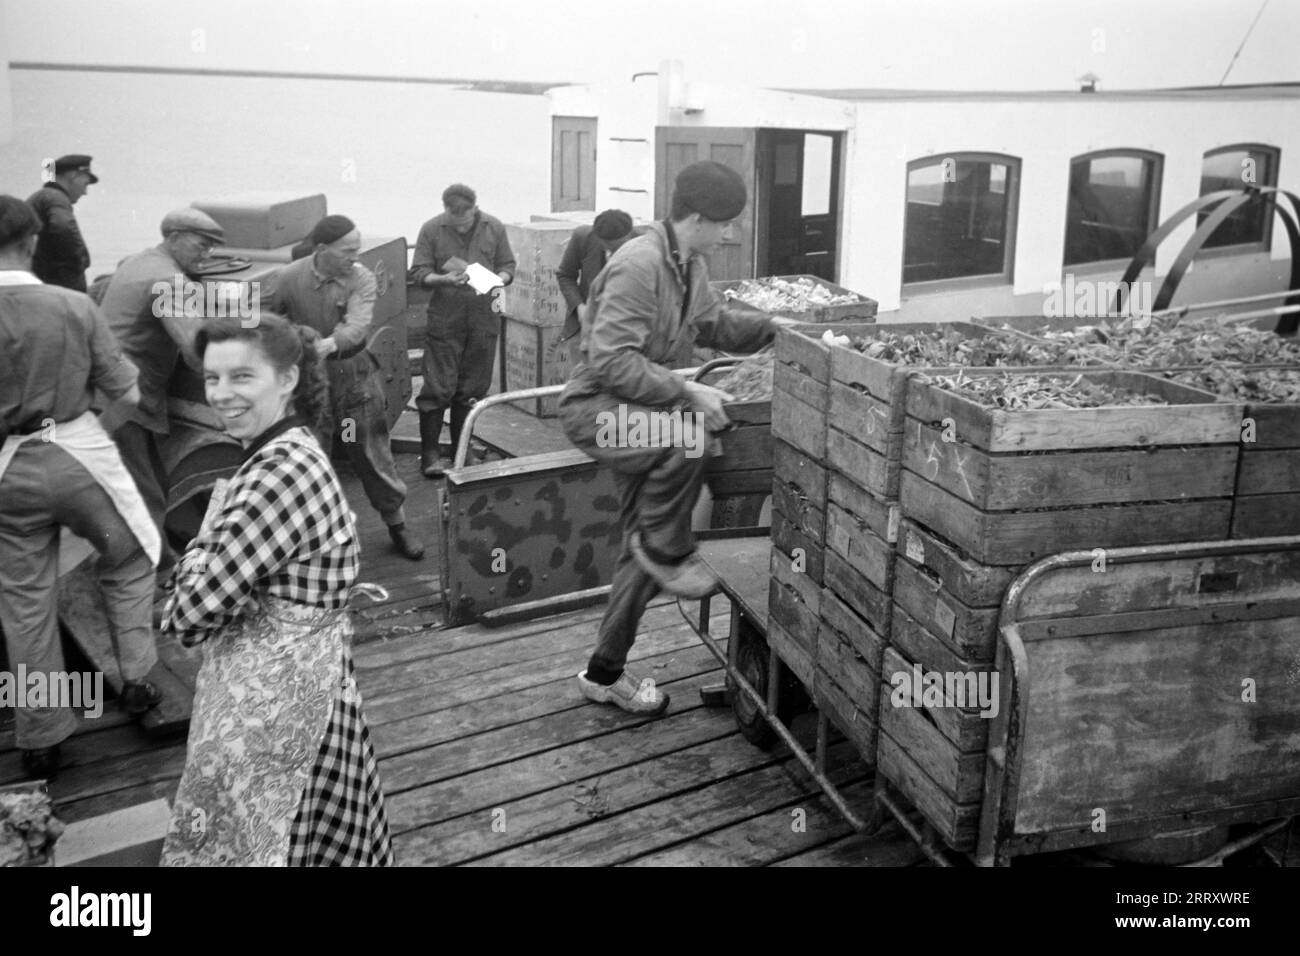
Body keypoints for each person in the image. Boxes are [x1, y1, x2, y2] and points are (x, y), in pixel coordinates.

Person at [159, 311, 394, 866]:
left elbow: (187, 616)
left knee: (267, 834)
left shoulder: (277, 473)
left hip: (277, 701)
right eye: (212, 378)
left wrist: (197, 552)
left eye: (242, 377)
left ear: (287, 379)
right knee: (318, 832)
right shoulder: (295, 448)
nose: (220, 394)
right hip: (314, 683)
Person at [559, 161, 794, 715]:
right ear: (696, 217)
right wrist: (687, 394)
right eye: (723, 223)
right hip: (600, 411)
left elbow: (714, 326)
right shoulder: (639, 265)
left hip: (641, 410)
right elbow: (612, 361)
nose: (728, 233)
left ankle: (603, 673)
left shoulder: (689, 264)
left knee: (637, 559)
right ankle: (667, 545)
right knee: (691, 439)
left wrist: (778, 330)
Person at [0, 195, 163, 779]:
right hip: (75, 457)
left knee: (23, 600)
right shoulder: (72, 305)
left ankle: (41, 736)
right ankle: (139, 678)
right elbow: (128, 394)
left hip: (6, 474)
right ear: (33, 240)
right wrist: (91, 434)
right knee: (128, 556)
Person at [266, 215, 424, 561]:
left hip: (353, 378)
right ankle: (310, 537)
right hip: (310, 384)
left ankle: (397, 523)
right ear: (322, 249)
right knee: (311, 456)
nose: (355, 256)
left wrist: (321, 346)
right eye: (348, 250)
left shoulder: (360, 278)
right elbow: (271, 320)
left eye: (358, 248)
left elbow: (357, 327)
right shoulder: (288, 279)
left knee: (369, 451)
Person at [98, 208, 226, 581]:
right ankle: (152, 585)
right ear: (174, 238)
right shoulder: (170, 282)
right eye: (202, 245)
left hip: (108, 392)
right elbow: (196, 351)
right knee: (143, 497)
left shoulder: (139, 261)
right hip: (126, 403)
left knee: (148, 487)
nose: (208, 255)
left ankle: (164, 564)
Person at [408, 183, 516, 477]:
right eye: (454, 219)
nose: (460, 223)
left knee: (471, 389)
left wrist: (499, 279)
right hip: (446, 319)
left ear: (474, 208)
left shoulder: (494, 227)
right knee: (438, 387)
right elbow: (418, 272)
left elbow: (508, 266)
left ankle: (461, 451)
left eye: (465, 218)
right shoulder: (431, 229)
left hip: (484, 319)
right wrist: (442, 280)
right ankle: (429, 455)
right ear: (445, 211)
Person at [554, 209, 637, 348]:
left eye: (620, 247)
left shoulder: (644, 244)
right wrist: (580, 308)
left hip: (628, 332)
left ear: (629, 237)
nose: (614, 252)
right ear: (598, 238)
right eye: (609, 247)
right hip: (587, 328)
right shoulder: (583, 237)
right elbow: (565, 275)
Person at [26, 154, 98, 292]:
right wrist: (79, 263)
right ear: (74, 176)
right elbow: (63, 228)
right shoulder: (55, 198)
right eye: (85, 184)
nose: (85, 192)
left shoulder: (44, 197)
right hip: (54, 291)